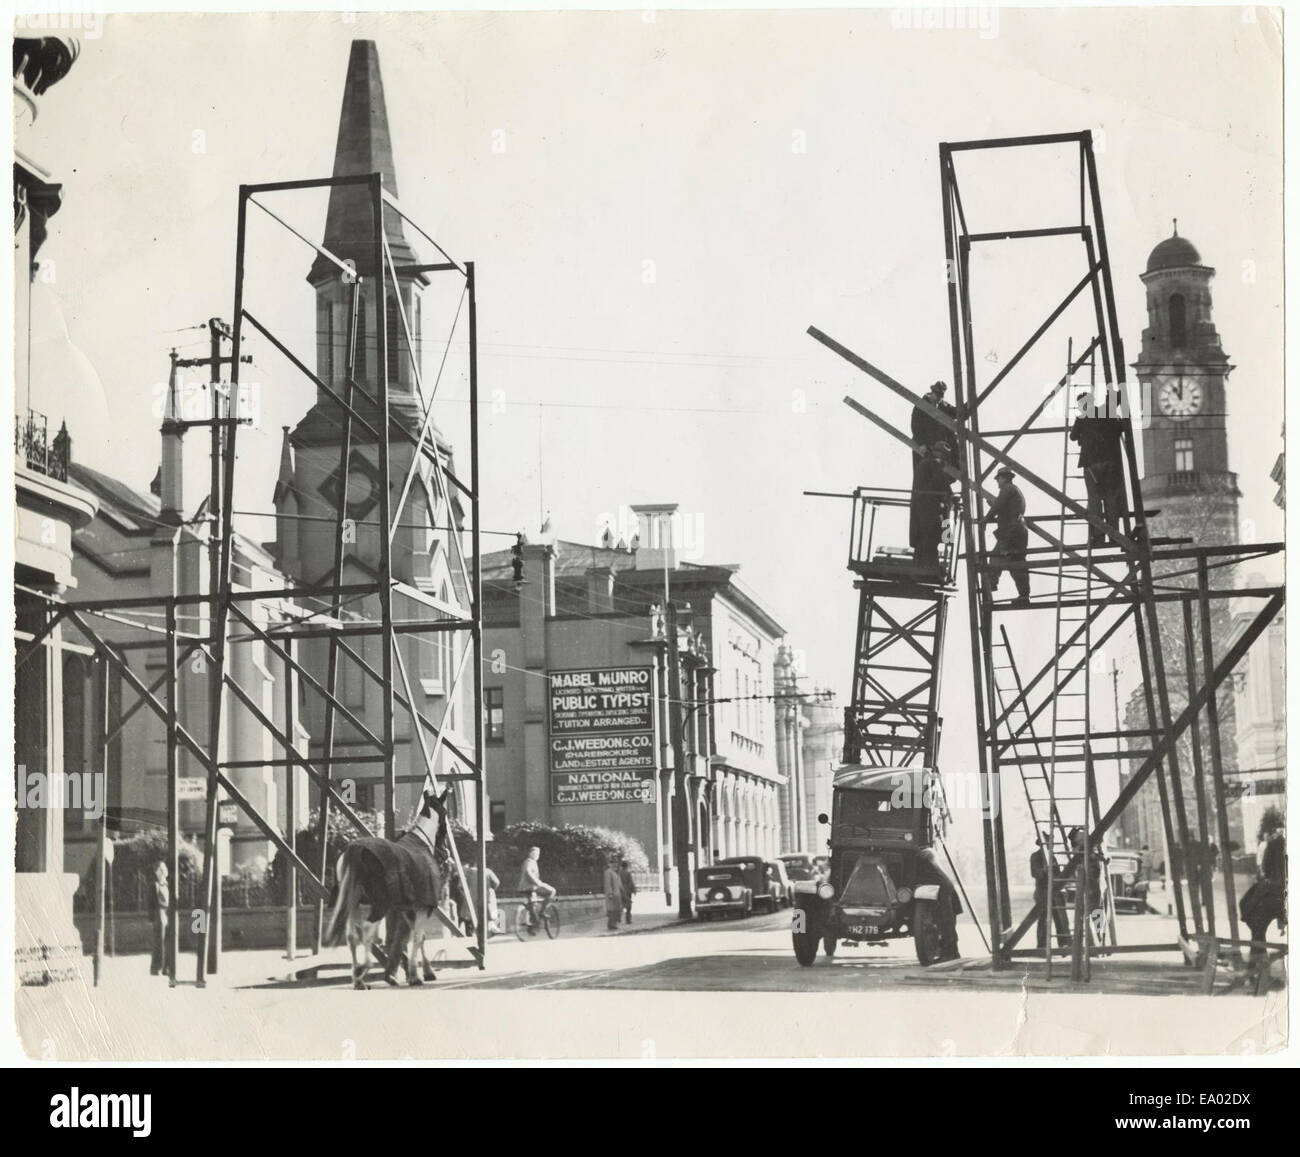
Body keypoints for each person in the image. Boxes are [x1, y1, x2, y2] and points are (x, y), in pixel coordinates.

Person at [1069, 390, 1127, 545]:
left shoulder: (1083, 416)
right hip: (1110, 463)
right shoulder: (1107, 412)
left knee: (1094, 501)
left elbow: (1073, 436)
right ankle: (1114, 536)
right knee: (1111, 499)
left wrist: (1084, 437)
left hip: (1091, 465)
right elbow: (1120, 427)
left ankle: (1098, 536)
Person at [985, 467, 1030, 606]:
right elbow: (1004, 506)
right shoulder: (1015, 491)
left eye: (998, 479)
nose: (997, 482)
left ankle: (991, 583)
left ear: (1004, 478)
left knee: (995, 556)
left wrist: (986, 518)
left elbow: (999, 505)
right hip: (1019, 530)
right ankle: (1024, 596)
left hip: (1011, 531)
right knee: (1017, 564)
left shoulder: (1007, 489)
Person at [910, 442, 954, 571]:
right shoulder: (933, 464)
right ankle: (930, 567)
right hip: (929, 511)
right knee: (931, 541)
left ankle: (922, 566)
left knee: (924, 543)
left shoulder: (924, 463)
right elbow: (942, 485)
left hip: (921, 510)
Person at [911, 381, 955, 482]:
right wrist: (921, 443)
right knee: (922, 475)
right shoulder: (921, 405)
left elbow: (957, 412)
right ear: (932, 393)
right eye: (937, 396)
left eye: (940, 397)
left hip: (936, 448)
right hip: (923, 446)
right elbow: (915, 426)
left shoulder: (943, 405)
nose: (938, 399)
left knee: (936, 474)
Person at [1030, 836, 1069, 950]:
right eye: (1047, 843)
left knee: (1061, 919)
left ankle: (1064, 944)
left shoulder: (1052, 857)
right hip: (1043, 892)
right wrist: (1044, 871)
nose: (1050, 845)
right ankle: (1042, 946)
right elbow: (1035, 873)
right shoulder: (1035, 856)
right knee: (1044, 920)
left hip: (1055, 892)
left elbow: (1057, 873)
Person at [517, 846, 556, 934]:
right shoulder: (529, 862)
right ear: (529, 854)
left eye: (537, 854)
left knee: (532, 905)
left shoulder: (532, 862)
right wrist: (537, 882)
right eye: (534, 853)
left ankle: (532, 927)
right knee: (552, 891)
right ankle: (542, 912)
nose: (536, 855)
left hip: (528, 887)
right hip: (531, 886)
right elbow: (528, 872)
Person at [149, 860, 171, 977]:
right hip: (159, 913)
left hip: (168, 913)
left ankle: (167, 967)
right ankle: (156, 967)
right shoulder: (154, 885)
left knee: (168, 941)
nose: (163, 871)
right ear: (156, 872)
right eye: (161, 869)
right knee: (159, 942)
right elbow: (150, 903)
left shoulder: (167, 885)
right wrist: (152, 918)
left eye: (164, 868)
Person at [603, 856, 625, 932]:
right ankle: (611, 925)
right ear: (609, 864)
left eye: (616, 863)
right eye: (612, 863)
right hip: (612, 895)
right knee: (612, 910)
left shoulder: (615, 872)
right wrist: (610, 893)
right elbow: (608, 884)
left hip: (617, 895)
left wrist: (622, 890)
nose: (615, 864)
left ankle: (614, 924)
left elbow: (619, 884)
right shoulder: (608, 872)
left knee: (616, 910)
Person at [618, 858, 637, 925]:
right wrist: (634, 890)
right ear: (626, 866)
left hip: (620, 890)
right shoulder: (628, 873)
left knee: (621, 904)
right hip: (627, 891)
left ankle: (618, 918)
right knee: (628, 906)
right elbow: (631, 883)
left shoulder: (619, 873)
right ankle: (628, 919)